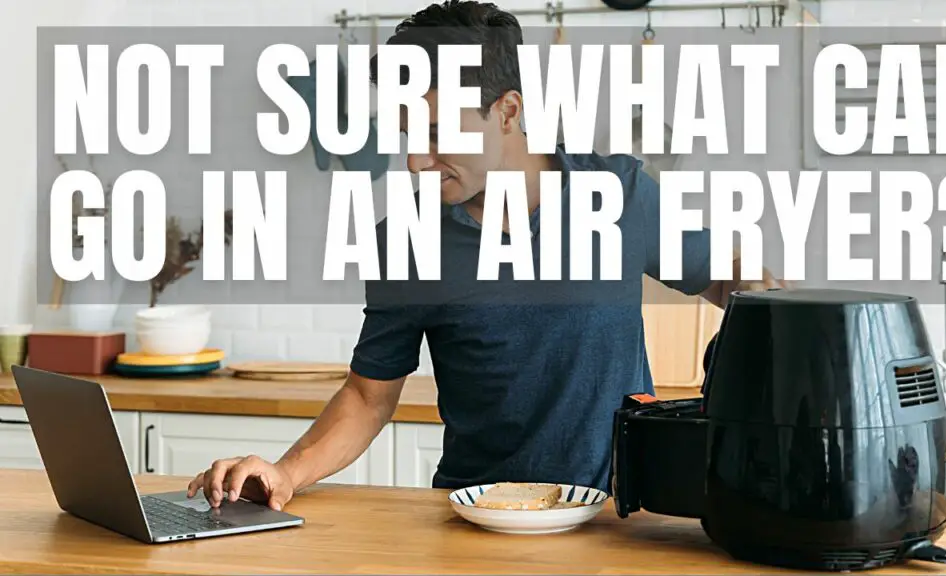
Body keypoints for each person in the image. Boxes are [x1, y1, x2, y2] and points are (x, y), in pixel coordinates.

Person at [186, 0, 785, 512]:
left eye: (438, 134)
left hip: (616, 517)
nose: (416, 162)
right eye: (407, 135)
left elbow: (733, 281)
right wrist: (287, 473)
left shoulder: (619, 194)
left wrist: (791, 331)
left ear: (508, 111)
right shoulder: (407, 239)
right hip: (476, 520)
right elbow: (369, 397)